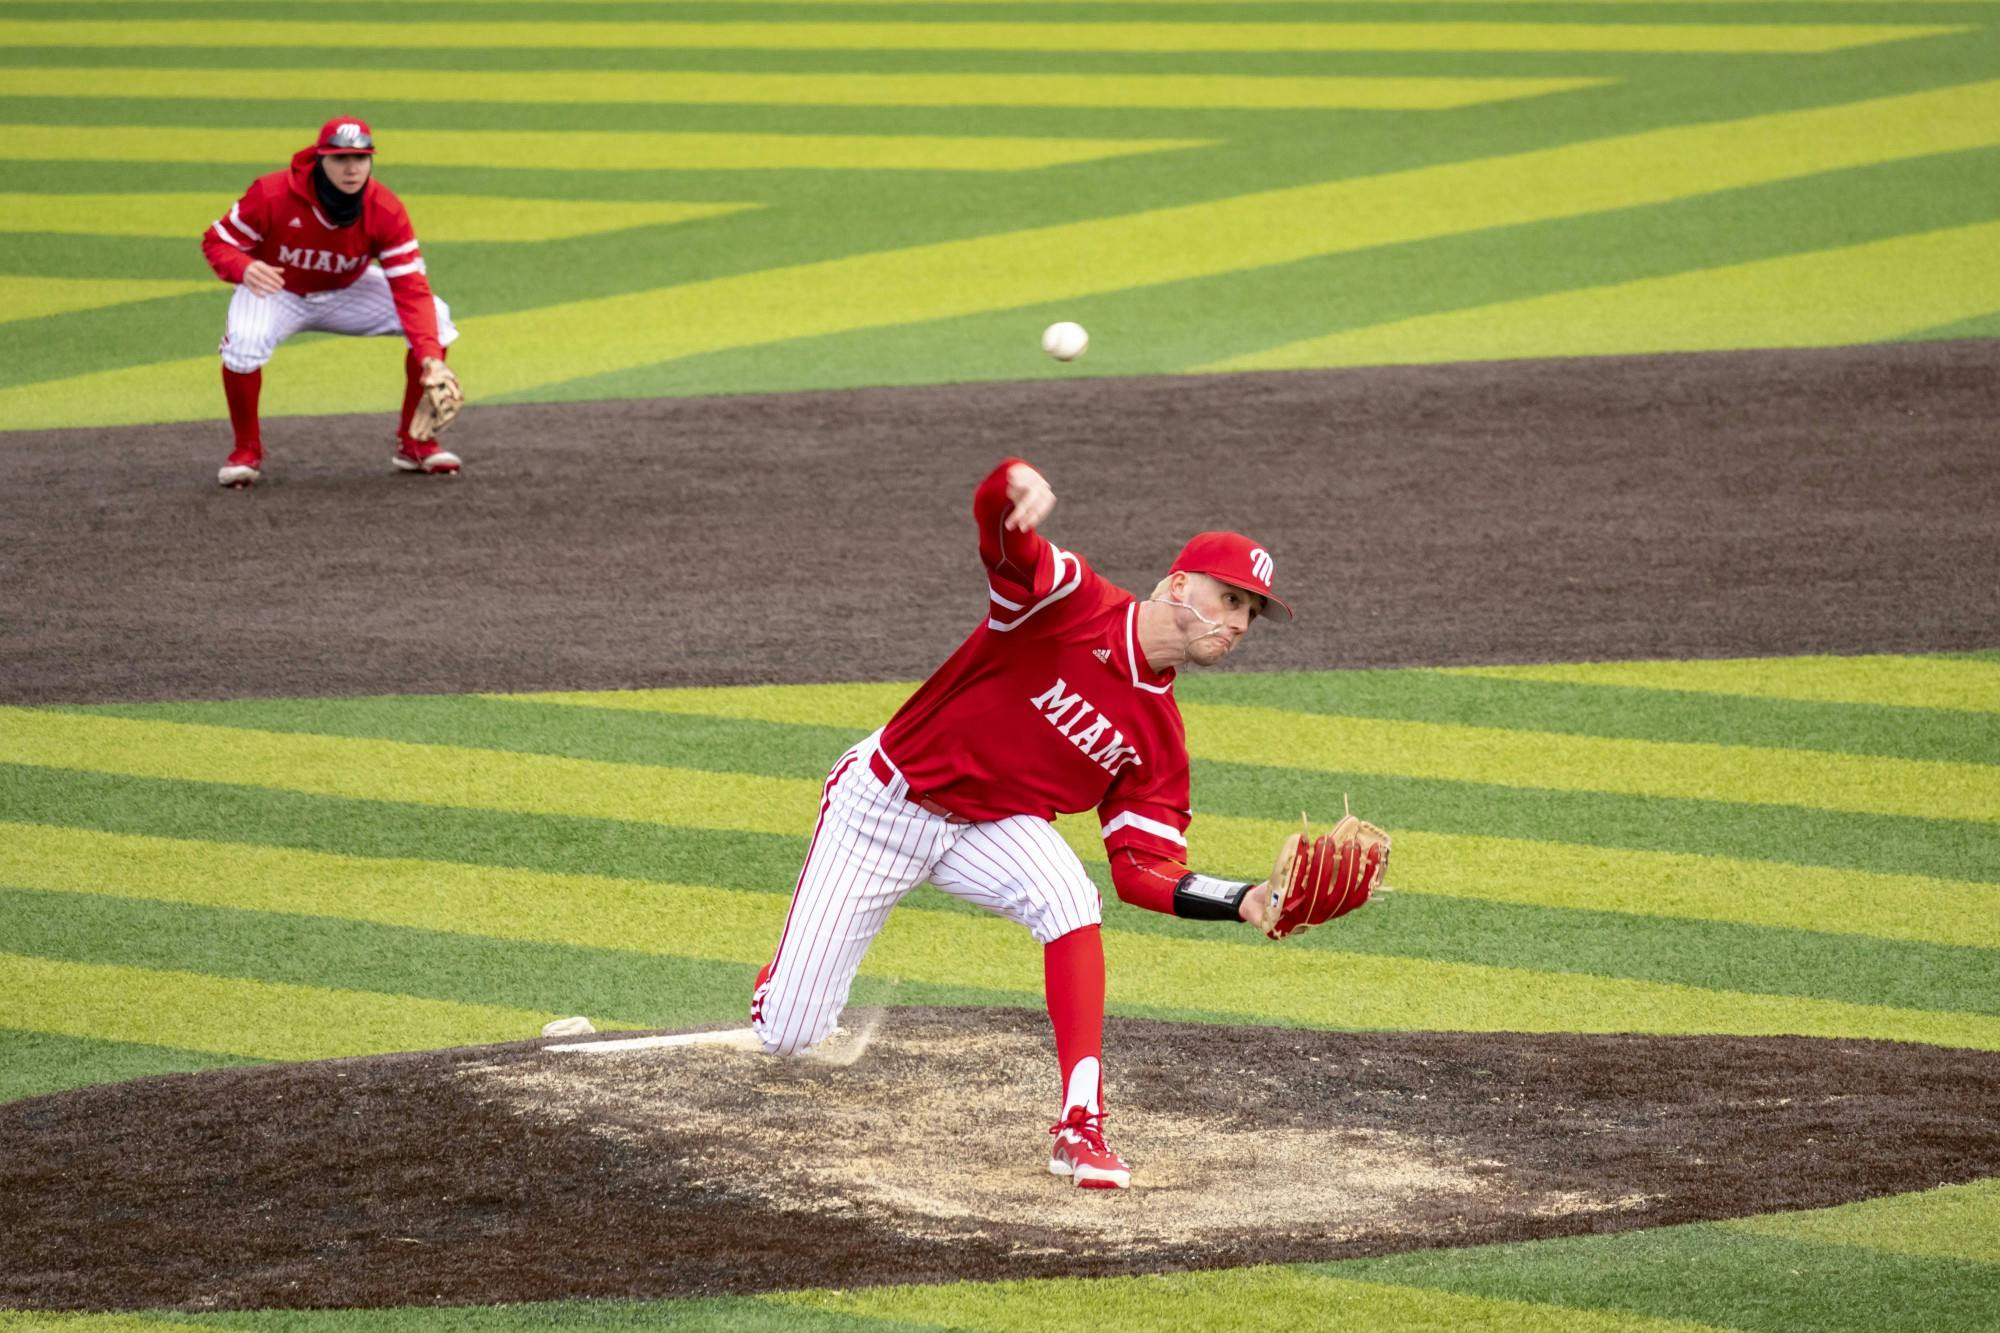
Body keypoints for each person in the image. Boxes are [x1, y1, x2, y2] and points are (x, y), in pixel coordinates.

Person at [751, 456, 1300, 1190]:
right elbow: (1004, 544)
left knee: (1073, 899)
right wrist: (1005, 483)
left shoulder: (1157, 738)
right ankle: (783, 983)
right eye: (1229, 598)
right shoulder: (1073, 601)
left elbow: (1141, 870)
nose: (1236, 622)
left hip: (989, 828)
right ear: (1177, 584)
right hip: (883, 806)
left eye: (1249, 613)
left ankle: (1081, 1126)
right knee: (790, 1035)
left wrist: (1242, 899)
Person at [200, 117, 461, 488]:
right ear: (321, 158)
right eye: (340, 158)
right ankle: (246, 451)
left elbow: (410, 286)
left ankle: (415, 445)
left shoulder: (384, 208)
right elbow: (216, 242)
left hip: (345, 292)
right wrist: (243, 266)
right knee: (244, 345)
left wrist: (430, 356)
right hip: (276, 290)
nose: (352, 168)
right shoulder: (272, 194)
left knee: (435, 316)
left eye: (361, 158)